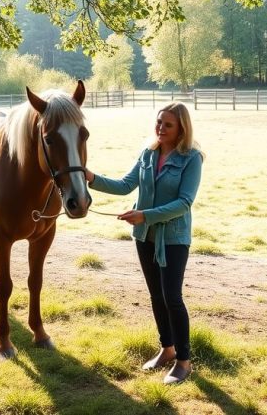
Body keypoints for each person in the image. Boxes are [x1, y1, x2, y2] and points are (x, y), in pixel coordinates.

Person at [85, 102, 204, 385]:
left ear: (181, 129)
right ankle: (167, 349)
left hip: (173, 240)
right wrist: (90, 178)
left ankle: (184, 361)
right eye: (159, 122)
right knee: (156, 296)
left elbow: (184, 203)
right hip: (145, 238)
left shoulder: (192, 158)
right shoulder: (148, 154)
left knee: (172, 297)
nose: (161, 128)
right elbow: (125, 185)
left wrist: (144, 215)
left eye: (168, 124)